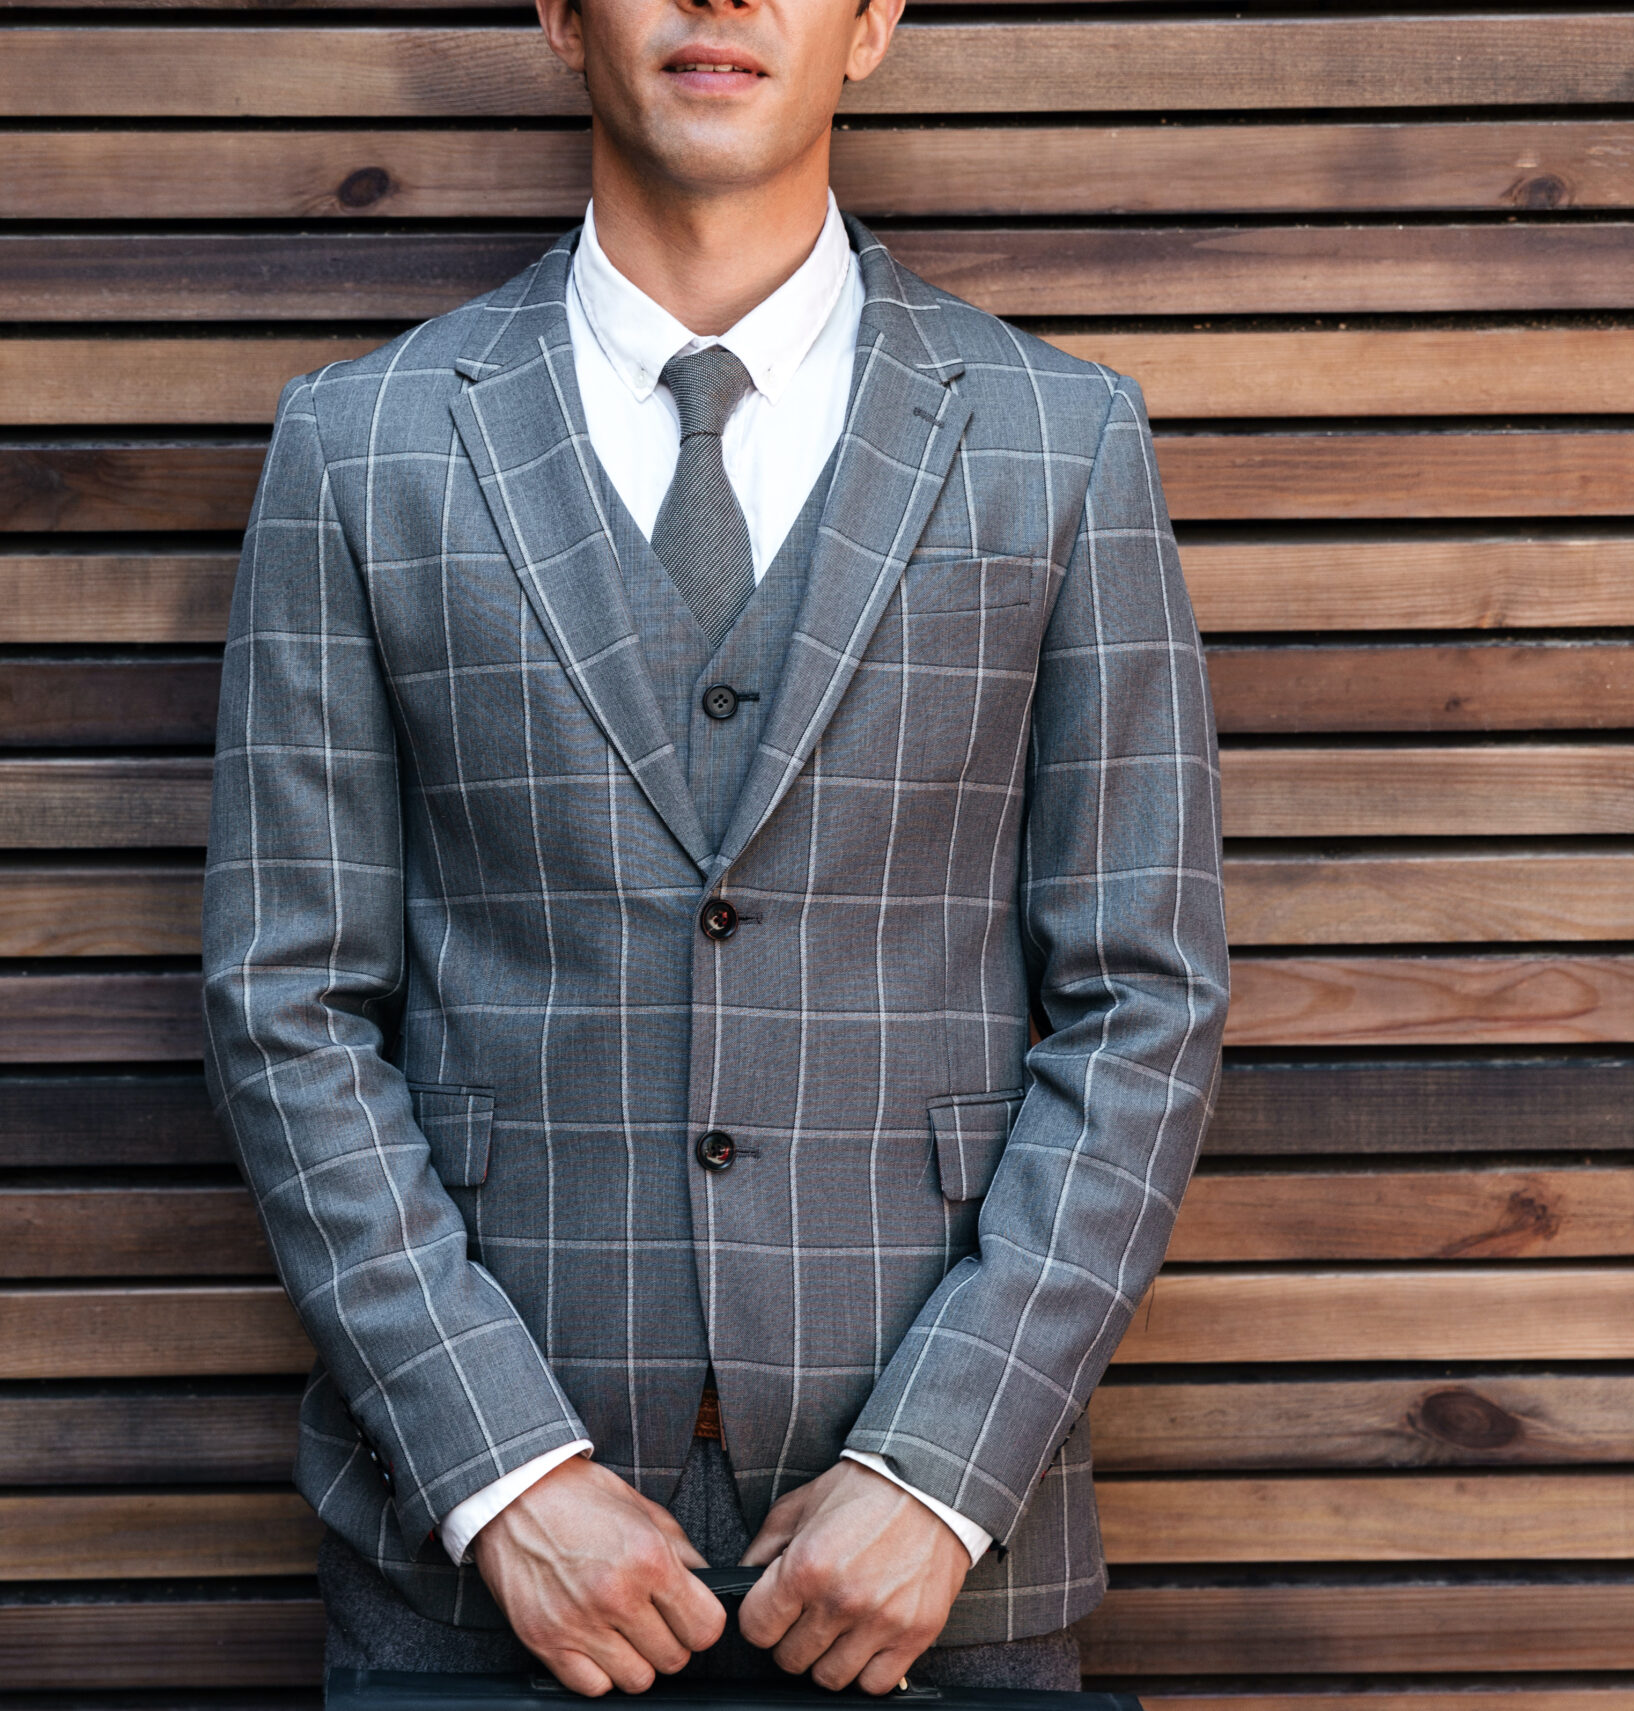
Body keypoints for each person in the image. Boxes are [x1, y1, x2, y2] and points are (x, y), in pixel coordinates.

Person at [201, 0, 1228, 1694]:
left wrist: (942, 1476)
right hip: (479, 1581)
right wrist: (500, 1476)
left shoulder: (1064, 442)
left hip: (936, 1582)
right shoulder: (361, 446)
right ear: (555, 15)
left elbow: (1144, 1001)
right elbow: (286, 999)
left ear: (875, 22)